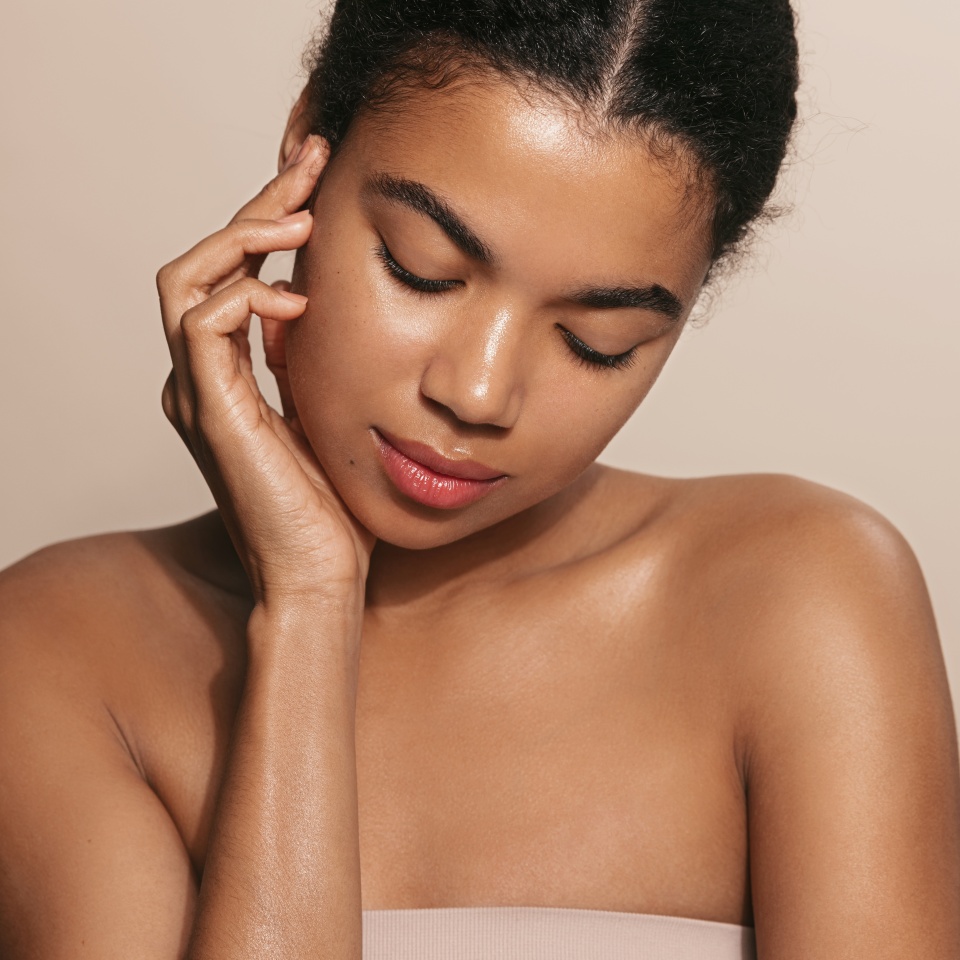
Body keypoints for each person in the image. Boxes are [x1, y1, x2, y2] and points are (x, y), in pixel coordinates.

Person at [0, 0, 957, 957]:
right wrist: (306, 608)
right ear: (306, 153)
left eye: (598, 341)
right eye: (422, 270)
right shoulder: (60, 653)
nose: (480, 393)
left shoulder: (799, 600)